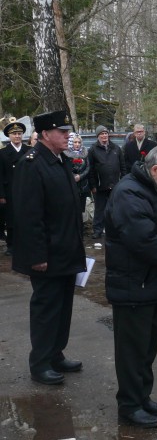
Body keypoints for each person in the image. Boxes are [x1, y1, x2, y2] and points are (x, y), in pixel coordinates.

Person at [104, 145, 157, 428]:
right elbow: (143, 241)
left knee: (147, 347)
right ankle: (129, 405)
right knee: (132, 351)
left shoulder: (153, 189)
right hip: (132, 284)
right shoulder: (129, 193)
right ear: (155, 170)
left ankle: (143, 397)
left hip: (149, 284)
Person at [13, 110, 86, 385]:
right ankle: (40, 362)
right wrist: (36, 256)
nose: (68, 136)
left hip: (65, 250)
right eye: (62, 132)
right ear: (45, 134)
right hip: (47, 255)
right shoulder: (31, 164)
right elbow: (28, 216)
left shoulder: (59, 161)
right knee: (46, 309)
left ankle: (56, 354)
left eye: (68, 132)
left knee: (63, 306)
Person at [87, 125, 126, 239]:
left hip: (115, 184)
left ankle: (115, 229)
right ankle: (97, 230)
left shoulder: (116, 148)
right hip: (100, 185)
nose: (104, 136)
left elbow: (123, 166)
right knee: (99, 209)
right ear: (98, 136)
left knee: (115, 208)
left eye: (106, 133)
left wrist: (123, 181)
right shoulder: (93, 150)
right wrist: (93, 185)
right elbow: (90, 169)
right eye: (101, 134)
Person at [0, 119, 30, 255]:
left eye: (19, 133)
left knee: (27, 217)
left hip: (27, 190)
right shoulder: (2, 153)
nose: (17, 136)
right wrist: (1, 195)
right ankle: (11, 245)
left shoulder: (29, 151)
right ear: (9, 136)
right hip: (10, 191)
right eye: (14, 134)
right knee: (11, 218)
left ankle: (25, 243)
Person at [66, 133, 91, 231]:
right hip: (71, 186)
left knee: (81, 209)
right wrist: (73, 176)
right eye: (75, 142)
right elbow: (66, 168)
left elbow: (88, 167)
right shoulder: (67, 154)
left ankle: (80, 228)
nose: (77, 144)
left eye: (79, 142)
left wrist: (80, 176)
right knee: (72, 208)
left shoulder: (85, 153)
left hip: (83, 185)